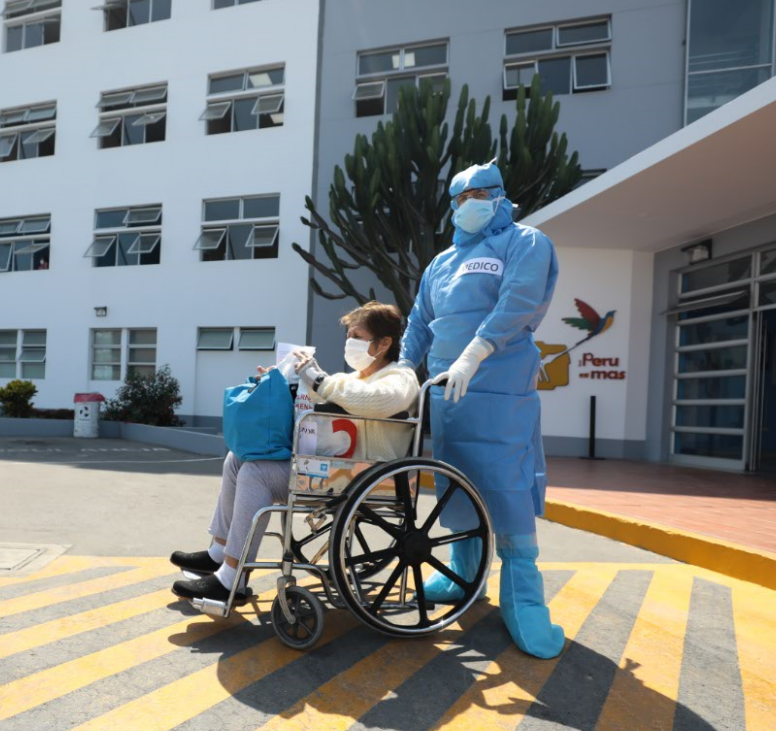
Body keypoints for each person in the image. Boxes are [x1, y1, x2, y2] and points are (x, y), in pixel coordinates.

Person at [399, 160, 565, 659]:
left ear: (499, 195)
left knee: (505, 484)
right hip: (449, 392)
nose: (468, 205)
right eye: (459, 198)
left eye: (478, 194)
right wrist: (404, 370)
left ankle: (524, 599)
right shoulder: (442, 262)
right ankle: (461, 575)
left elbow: (518, 300)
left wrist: (476, 351)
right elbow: (420, 320)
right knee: (456, 482)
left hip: (499, 385)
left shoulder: (525, 241)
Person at [171, 302, 420, 603]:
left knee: (257, 473)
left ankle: (231, 577)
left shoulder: (399, 378)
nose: (349, 342)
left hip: (365, 475)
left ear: (383, 343)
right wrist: (278, 383)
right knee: (238, 459)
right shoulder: (350, 379)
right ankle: (219, 552)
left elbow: (371, 401)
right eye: (348, 335)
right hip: (335, 468)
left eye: (357, 335)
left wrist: (316, 377)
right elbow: (317, 396)